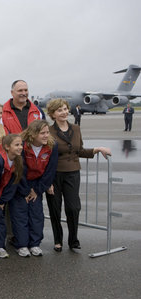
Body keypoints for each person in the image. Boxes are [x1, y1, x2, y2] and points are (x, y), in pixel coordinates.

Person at [45, 98, 111, 251]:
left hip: (73, 173)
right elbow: (45, 156)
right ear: (53, 114)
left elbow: (79, 150)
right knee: (55, 208)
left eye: (65, 109)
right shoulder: (48, 130)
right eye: (59, 110)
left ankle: (73, 240)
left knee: (73, 208)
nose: (64, 112)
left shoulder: (76, 128)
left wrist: (97, 149)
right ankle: (58, 240)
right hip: (54, 175)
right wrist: (47, 181)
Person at [10, 120, 58, 257]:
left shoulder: (52, 146)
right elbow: (19, 170)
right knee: (20, 216)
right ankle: (22, 245)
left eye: (47, 132)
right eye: (42, 133)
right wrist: (25, 191)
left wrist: (37, 190)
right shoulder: (22, 146)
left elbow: (50, 171)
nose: (46, 136)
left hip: (37, 185)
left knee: (36, 215)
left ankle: (35, 244)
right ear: (33, 134)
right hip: (20, 184)